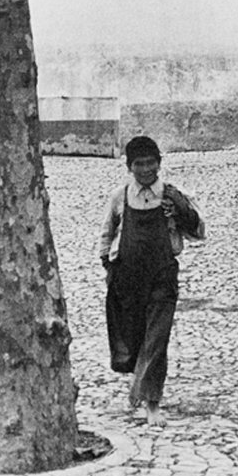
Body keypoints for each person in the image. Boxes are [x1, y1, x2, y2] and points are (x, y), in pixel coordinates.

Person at [98, 135, 205, 426]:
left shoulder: (172, 195)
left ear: (159, 163)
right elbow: (107, 233)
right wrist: (107, 265)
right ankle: (138, 379)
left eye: (150, 163)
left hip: (162, 276)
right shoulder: (120, 196)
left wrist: (181, 212)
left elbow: (199, 231)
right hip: (127, 277)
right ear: (129, 167)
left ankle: (152, 403)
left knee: (158, 338)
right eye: (139, 164)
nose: (146, 169)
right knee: (133, 337)